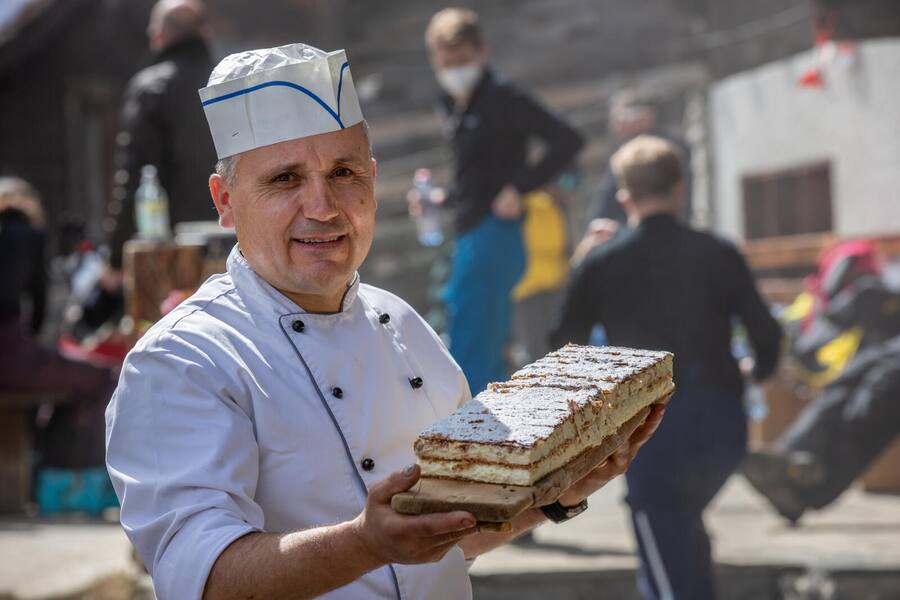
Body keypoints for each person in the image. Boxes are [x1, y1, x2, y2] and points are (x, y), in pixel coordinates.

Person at [104, 43, 665, 600]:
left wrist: (557, 494)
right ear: (225, 200)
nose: (323, 206)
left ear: (372, 180)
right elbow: (204, 581)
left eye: (343, 172)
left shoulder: (403, 325)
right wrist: (363, 544)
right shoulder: (182, 361)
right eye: (285, 179)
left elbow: (453, 532)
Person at [550, 135, 782, 600]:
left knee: (665, 541)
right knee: (682, 531)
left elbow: (561, 343)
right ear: (680, 189)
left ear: (624, 198)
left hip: (648, 428)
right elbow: (768, 336)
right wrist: (753, 373)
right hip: (720, 422)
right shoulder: (718, 251)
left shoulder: (603, 262)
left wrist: (583, 263)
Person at [421, 7, 584, 395]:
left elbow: (568, 139)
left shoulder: (503, 97)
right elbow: (478, 182)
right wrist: (442, 200)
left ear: (482, 53)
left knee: (472, 354)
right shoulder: (456, 105)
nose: (454, 70)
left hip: (495, 235)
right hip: (471, 233)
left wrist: (520, 187)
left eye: (462, 60)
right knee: (469, 342)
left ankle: (477, 429)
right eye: (446, 62)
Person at [743, 265, 900, 524]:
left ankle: (810, 488)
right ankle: (788, 459)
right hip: (889, 344)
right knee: (843, 385)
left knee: (872, 403)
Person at [0, 177, 113, 470]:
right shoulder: (28, 234)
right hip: (10, 356)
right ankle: (72, 469)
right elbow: (40, 309)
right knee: (104, 377)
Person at [106, 0, 217, 268]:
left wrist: (115, 256)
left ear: (158, 36)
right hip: (233, 240)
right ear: (205, 33)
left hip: (173, 252)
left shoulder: (151, 88)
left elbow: (135, 175)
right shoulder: (227, 83)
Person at [587, 90, 692, 226]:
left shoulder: (670, 147)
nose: (618, 126)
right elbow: (605, 204)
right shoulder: (624, 153)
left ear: (646, 117)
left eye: (624, 118)